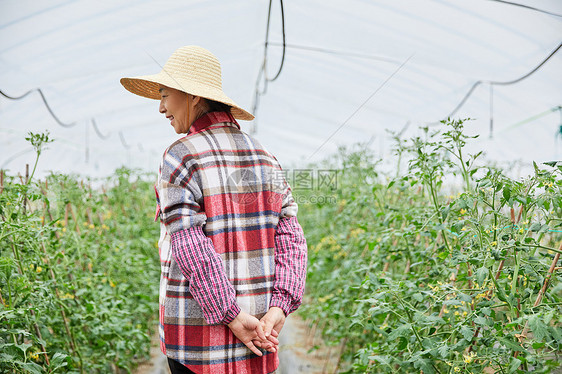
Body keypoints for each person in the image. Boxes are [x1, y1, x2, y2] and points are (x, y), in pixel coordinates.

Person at [120, 46, 308, 374]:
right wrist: (280, 306)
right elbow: (291, 237)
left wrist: (231, 315)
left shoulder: (180, 156)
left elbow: (190, 245)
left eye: (164, 94)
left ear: (193, 97)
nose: (161, 107)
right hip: (262, 336)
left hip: (198, 344)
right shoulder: (264, 156)